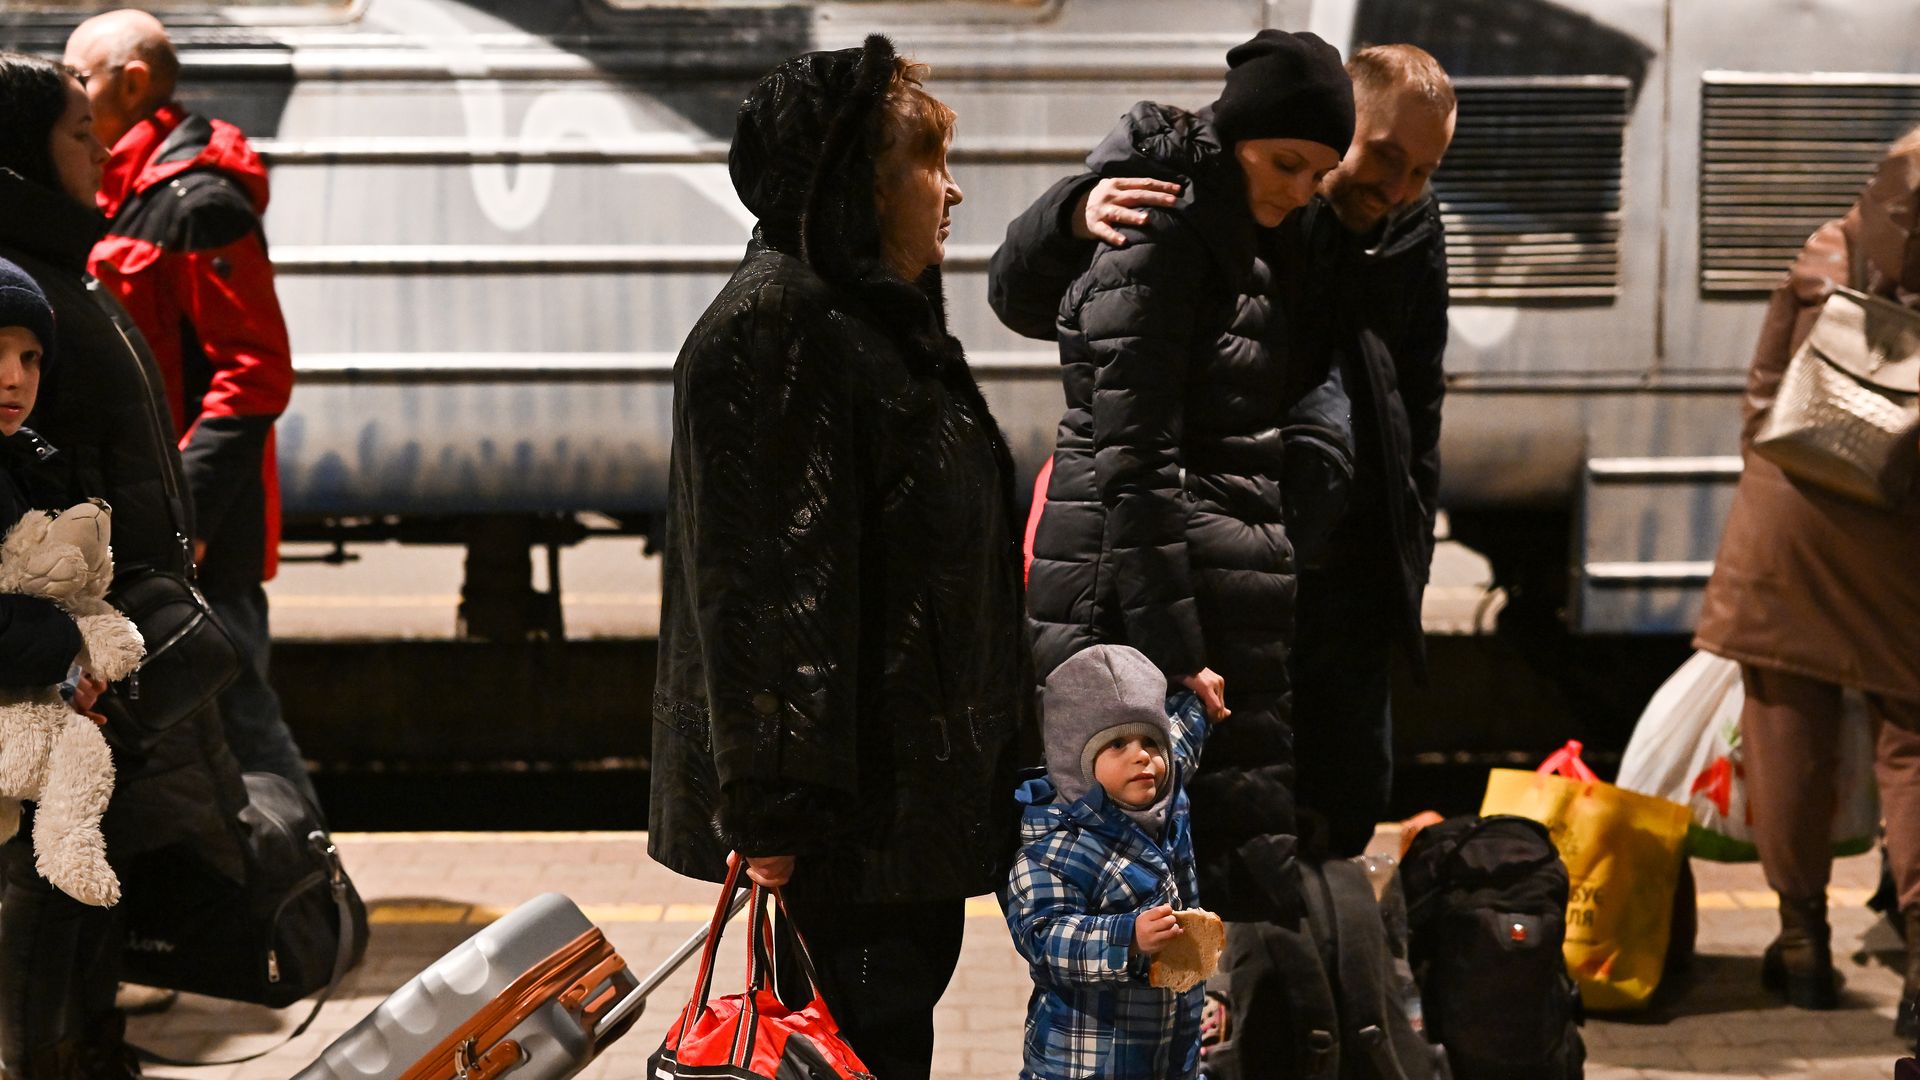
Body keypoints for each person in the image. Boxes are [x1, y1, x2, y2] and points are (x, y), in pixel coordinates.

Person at [647, 36, 1032, 1080]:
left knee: (881, 1042)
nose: (952, 192)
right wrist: (775, 813)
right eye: (927, 163)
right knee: (855, 1044)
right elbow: (769, 597)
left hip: (895, 812)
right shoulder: (781, 329)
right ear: (857, 183)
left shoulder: (863, 322)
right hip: (846, 832)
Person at [992, 43, 1455, 859]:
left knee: (1314, 818)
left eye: (1424, 171)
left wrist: (1404, 557)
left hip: (1315, 559)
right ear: (1343, 128)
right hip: (1206, 551)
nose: (1400, 188)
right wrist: (1073, 208)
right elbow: (1039, 311)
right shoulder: (1187, 199)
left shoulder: (1401, 228)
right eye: (1383, 158)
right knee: (1169, 843)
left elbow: (1418, 400)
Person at [0, 51, 248, 1078]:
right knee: (41, 945)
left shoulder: (60, 277)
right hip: (49, 687)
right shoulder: (20, 295)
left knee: (83, 930)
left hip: (103, 666)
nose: (102, 152)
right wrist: (61, 656)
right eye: (77, 134)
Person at [1694, 127, 1920, 1037]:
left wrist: (1779, 485)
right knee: (1910, 746)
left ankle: (1802, 948)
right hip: (1901, 536)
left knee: (1787, 730)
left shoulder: (1822, 252)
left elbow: (1760, 395)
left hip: (1788, 519)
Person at [63, 10, 313, 813]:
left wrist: (189, 513)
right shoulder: (121, 191)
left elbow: (255, 372)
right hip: (142, 524)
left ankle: (312, 909)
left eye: (78, 77)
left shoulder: (198, 202)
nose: (68, 93)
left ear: (130, 83)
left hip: (200, 535)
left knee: (240, 725)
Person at [1003, 645, 1213, 1080]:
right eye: (1117, 744)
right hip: (1088, 1061)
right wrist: (1127, 936)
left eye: (1150, 742)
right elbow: (1044, 938)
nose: (1142, 757)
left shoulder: (1165, 797)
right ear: (1076, 761)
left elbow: (1181, 739)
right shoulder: (1054, 847)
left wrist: (1197, 694)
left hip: (1172, 1052)